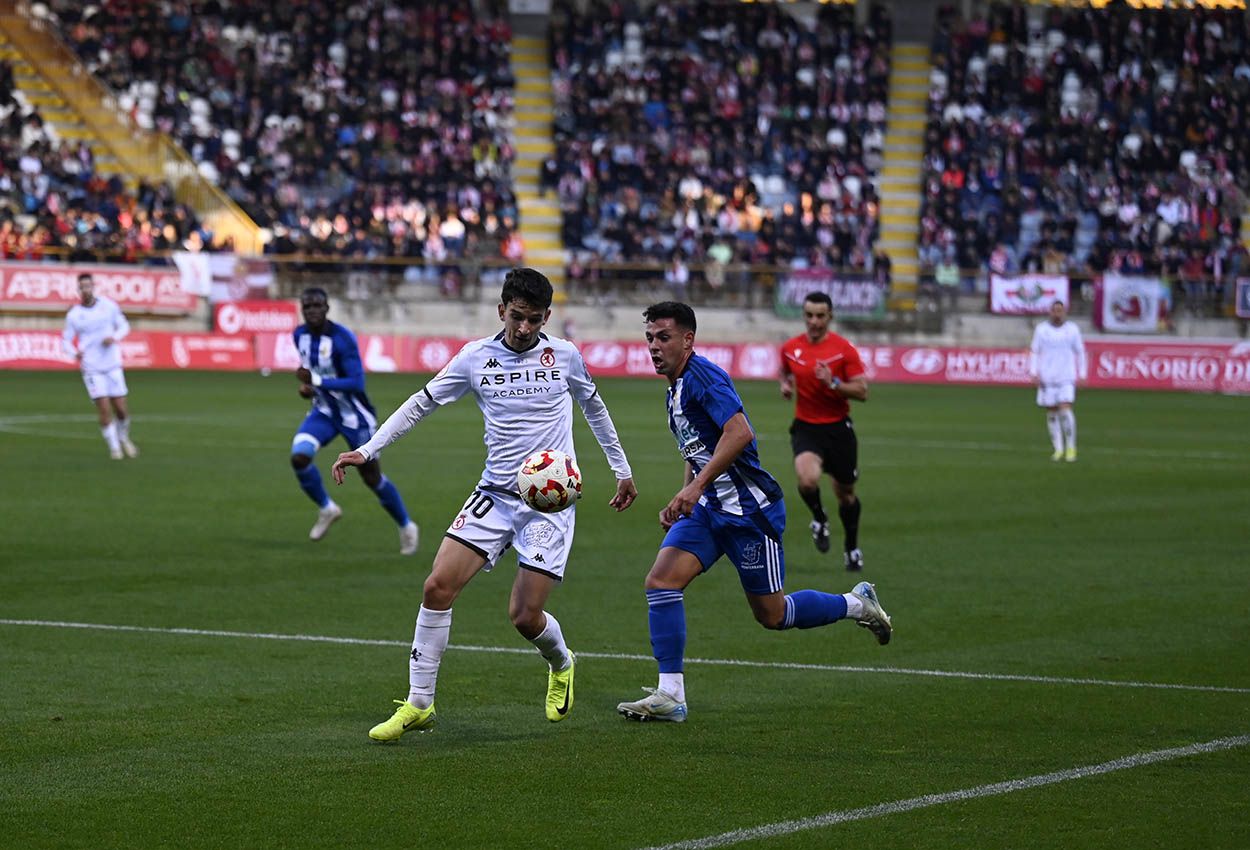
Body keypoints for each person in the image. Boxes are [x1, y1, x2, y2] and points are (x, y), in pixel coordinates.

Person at [332, 268, 638, 741]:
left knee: (524, 617)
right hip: (494, 494)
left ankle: (561, 660)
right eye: (517, 317)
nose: (524, 328)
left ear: (546, 317)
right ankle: (419, 703)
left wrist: (622, 470)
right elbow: (421, 403)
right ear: (501, 310)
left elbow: (594, 407)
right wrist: (368, 449)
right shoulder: (476, 358)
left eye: (534, 320)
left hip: (548, 504)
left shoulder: (566, 357)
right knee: (437, 587)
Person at [615, 302, 891, 723]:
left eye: (664, 337)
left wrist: (697, 486)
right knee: (661, 582)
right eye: (650, 337)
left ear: (688, 340)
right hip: (709, 509)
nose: (654, 346)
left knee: (773, 615)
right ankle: (670, 694)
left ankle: (856, 603)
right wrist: (687, 489)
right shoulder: (675, 387)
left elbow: (739, 432)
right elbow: (698, 445)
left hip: (748, 512)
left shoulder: (703, 376)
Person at [290, 287, 419, 554]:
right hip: (324, 412)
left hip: (355, 417)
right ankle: (327, 508)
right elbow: (314, 374)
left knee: (372, 478)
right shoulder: (299, 335)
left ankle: (406, 525)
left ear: (327, 308)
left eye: (317, 305)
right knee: (299, 457)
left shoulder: (342, 339)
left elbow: (356, 382)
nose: (312, 310)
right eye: (307, 306)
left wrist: (316, 382)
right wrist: (311, 390)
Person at [779, 292, 869, 571]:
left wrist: (833, 383)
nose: (814, 321)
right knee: (807, 481)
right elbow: (785, 371)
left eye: (820, 315)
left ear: (830, 317)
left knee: (846, 495)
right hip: (806, 428)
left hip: (839, 430)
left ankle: (852, 548)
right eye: (809, 315)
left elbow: (862, 391)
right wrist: (785, 385)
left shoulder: (844, 350)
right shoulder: (791, 347)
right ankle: (819, 518)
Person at [62, 272, 138, 460]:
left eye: (89, 286)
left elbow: (124, 326)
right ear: (78, 290)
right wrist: (74, 353)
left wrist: (115, 337)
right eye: (82, 287)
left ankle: (123, 437)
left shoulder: (108, 306)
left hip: (112, 364)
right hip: (91, 367)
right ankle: (114, 448)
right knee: (104, 408)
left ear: (93, 287)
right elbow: (65, 340)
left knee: (121, 409)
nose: (86, 290)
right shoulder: (75, 315)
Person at [1029, 300, 1087, 462]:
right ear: (1050, 312)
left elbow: (1080, 352)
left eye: (1060, 310)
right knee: (1052, 413)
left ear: (1064, 312)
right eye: (1054, 310)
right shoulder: (1042, 330)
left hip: (1066, 377)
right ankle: (1058, 449)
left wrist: (1082, 374)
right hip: (1047, 378)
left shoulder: (1072, 330)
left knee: (1065, 410)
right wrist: (1033, 372)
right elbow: (1034, 351)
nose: (1057, 313)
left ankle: (1071, 447)